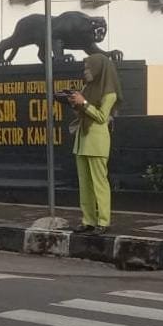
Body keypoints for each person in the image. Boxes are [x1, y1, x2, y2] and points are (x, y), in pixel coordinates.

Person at [68, 53, 122, 235]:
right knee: (84, 184)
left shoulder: (109, 93)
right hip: (82, 141)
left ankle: (103, 221)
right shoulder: (87, 88)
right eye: (85, 68)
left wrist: (84, 103)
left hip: (97, 142)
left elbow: (101, 117)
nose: (86, 71)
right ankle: (88, 220)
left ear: (98, 68)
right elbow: (82, 112)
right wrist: (75, 102)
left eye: (88, 67)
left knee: (100, 183)